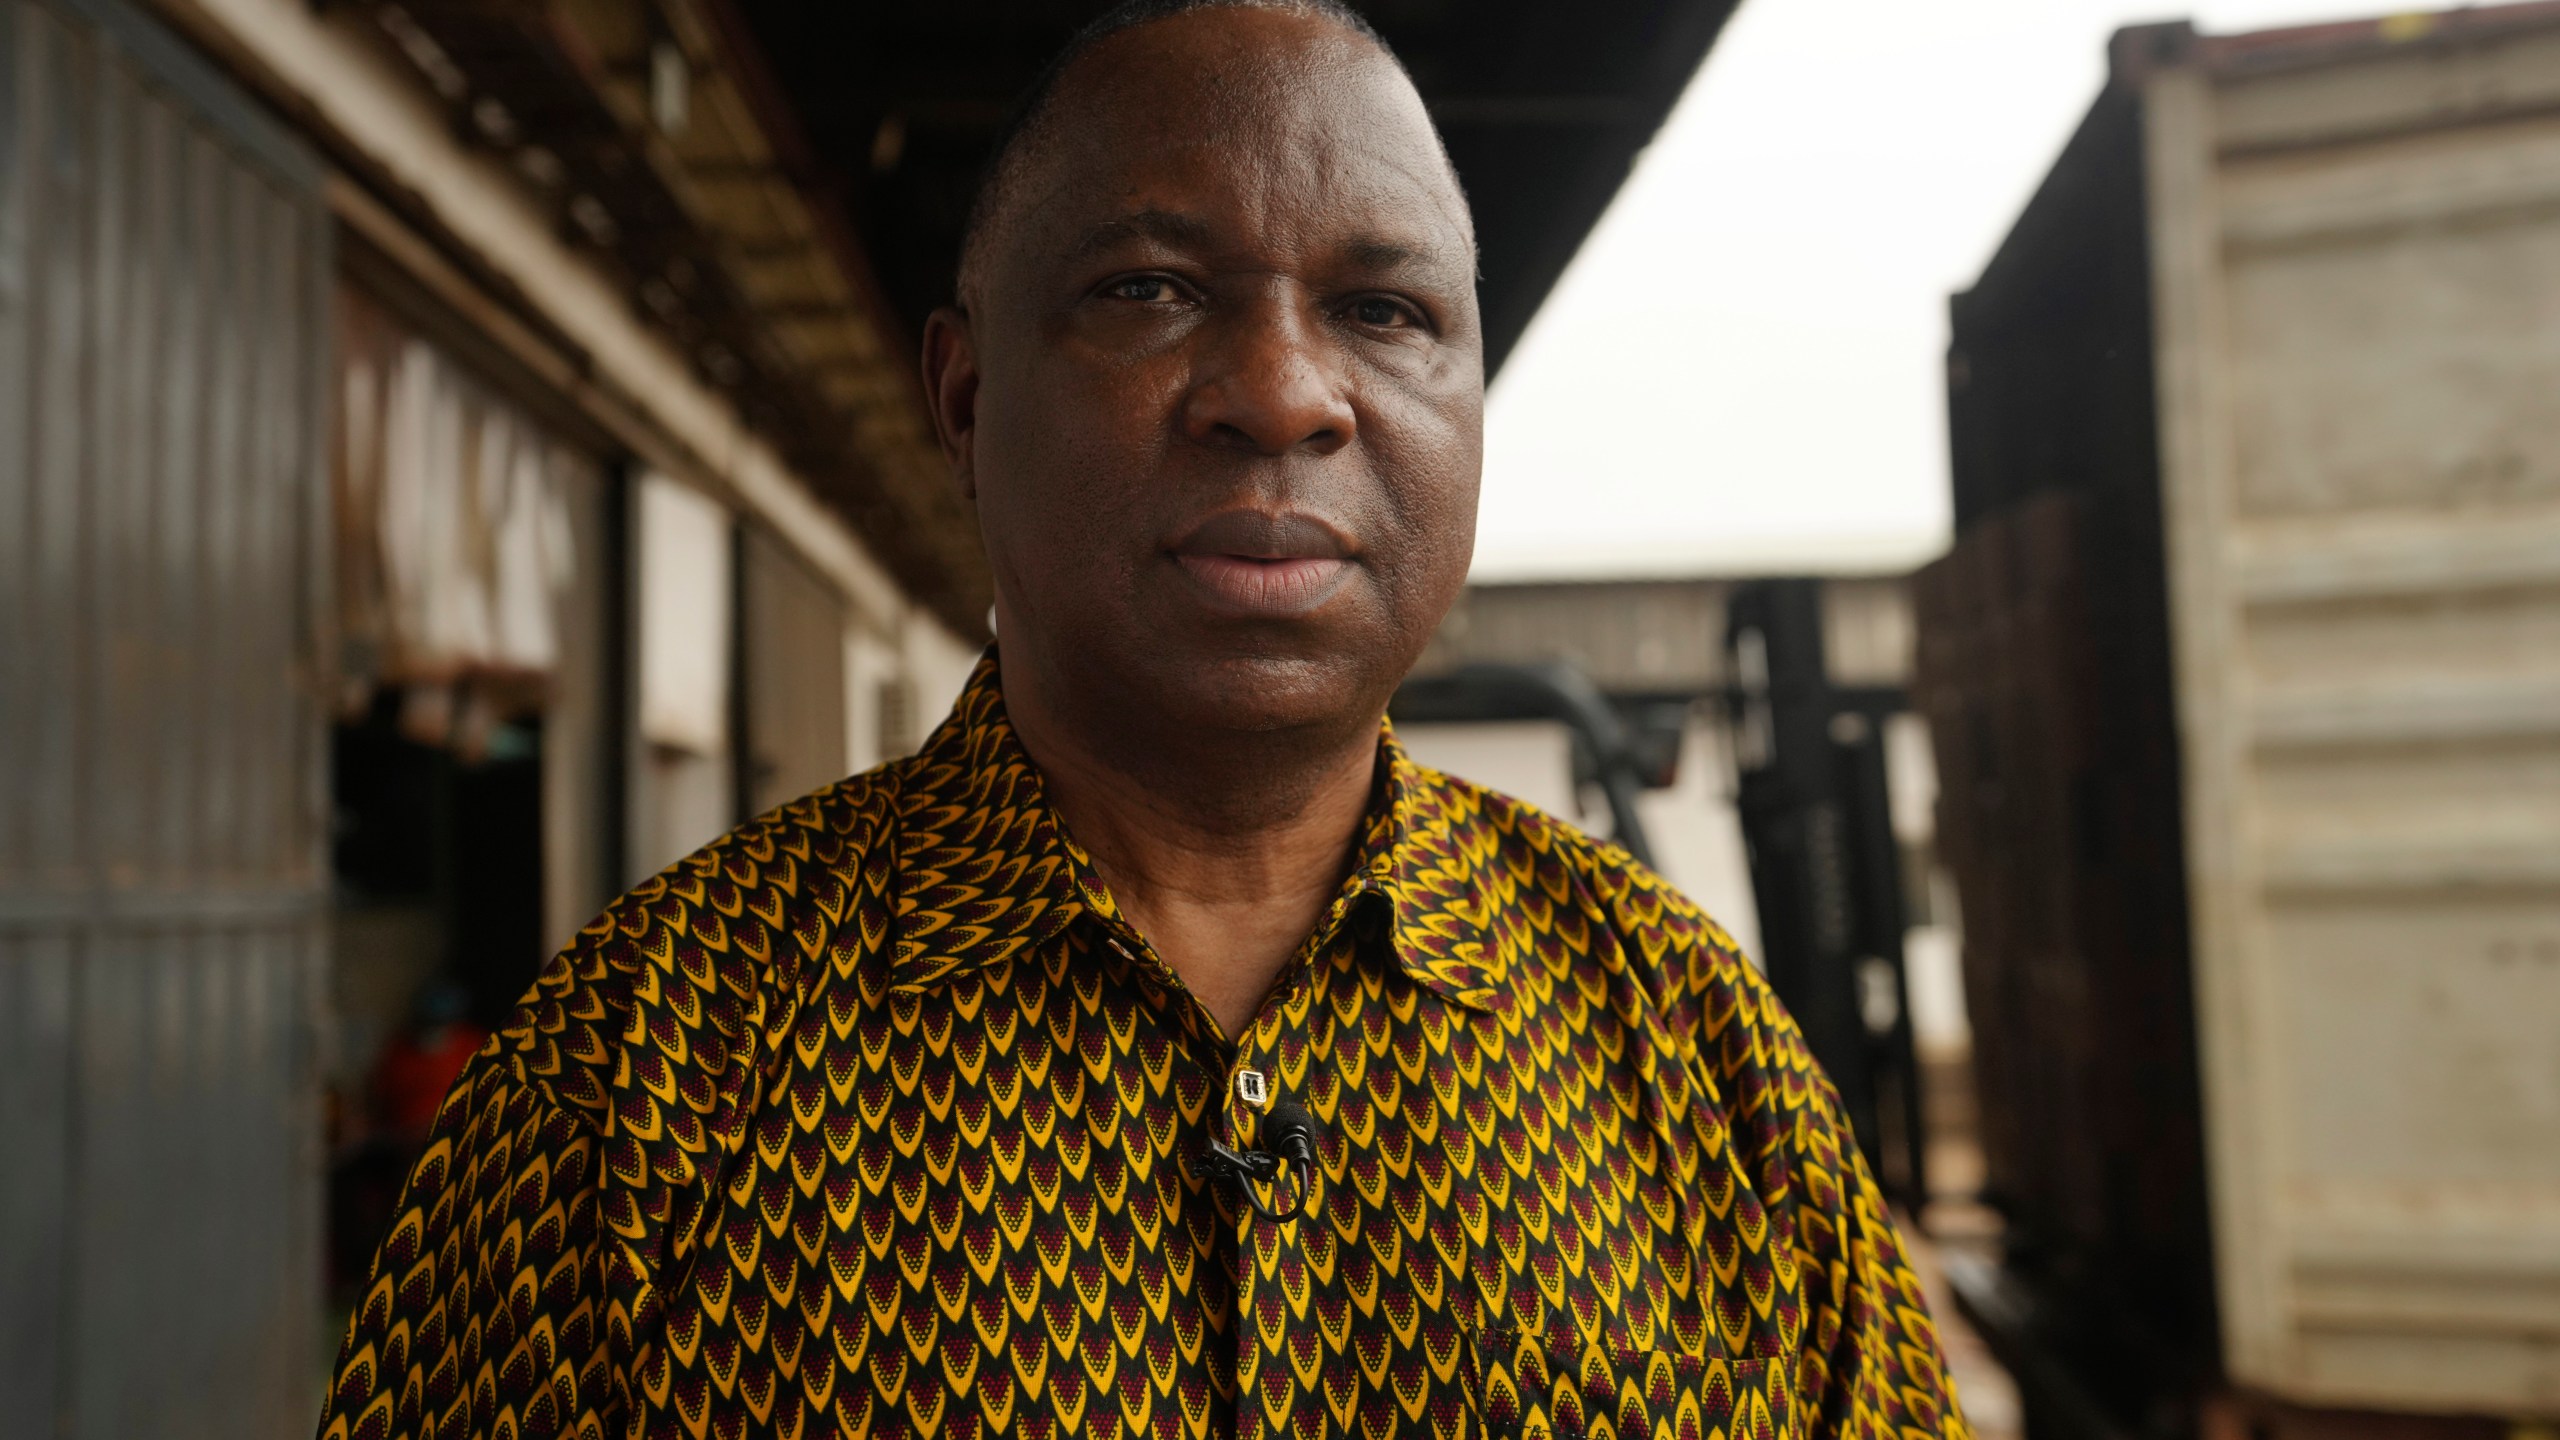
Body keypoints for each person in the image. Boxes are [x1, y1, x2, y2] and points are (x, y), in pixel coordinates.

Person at [315, 2, 1972, 1436]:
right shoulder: (641, 1073)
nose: (1284, 391)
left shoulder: (1696, 1059)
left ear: (1471, 405)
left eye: (1388, 313)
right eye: (1151, 290)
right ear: (964, 402)